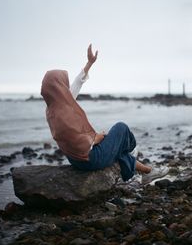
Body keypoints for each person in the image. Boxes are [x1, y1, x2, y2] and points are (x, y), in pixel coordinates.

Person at [41, 44, 169, 185]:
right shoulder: (63, 113)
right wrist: (95, 139)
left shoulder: (53, 109)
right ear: (58, 87)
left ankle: (147, 172)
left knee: (113, 145)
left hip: (76, 160)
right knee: (121, 128)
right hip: (89, 159)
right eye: (64, 83)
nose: (66, 86)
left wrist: (89, 63)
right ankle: (132, 151)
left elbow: (77, 83)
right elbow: (81, 145)